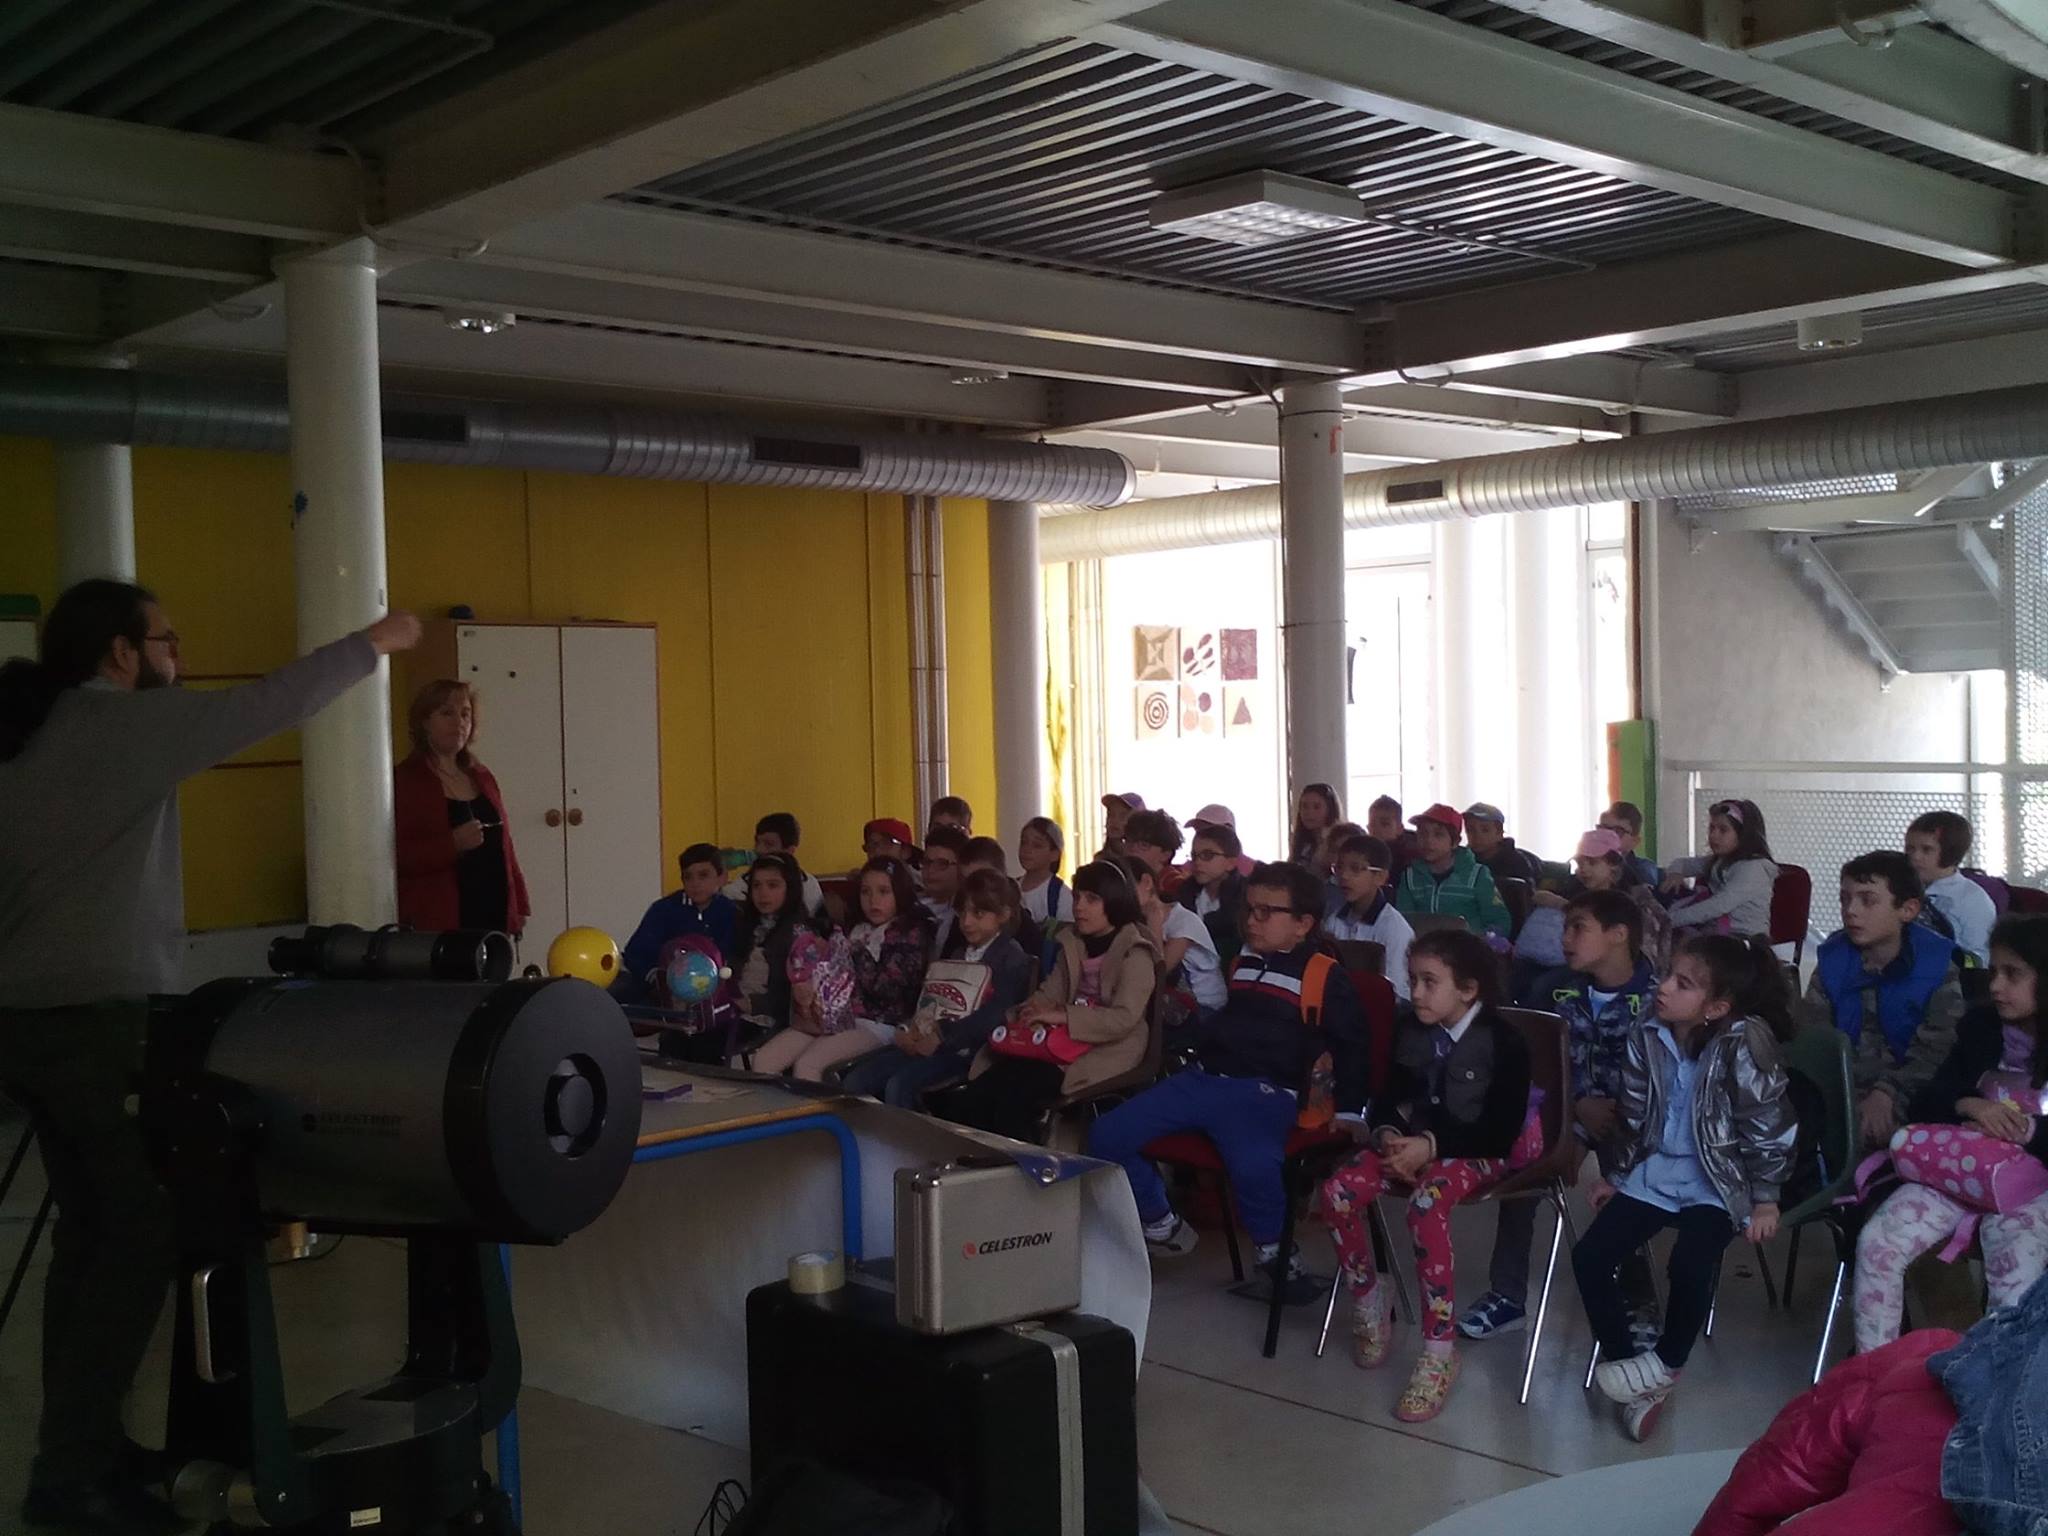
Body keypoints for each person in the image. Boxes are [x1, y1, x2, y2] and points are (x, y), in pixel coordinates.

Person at [0, 578, 420, 1535]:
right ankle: (69, 1478)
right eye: (167, 642)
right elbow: (265, 704)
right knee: (140, 1232)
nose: (177, 659)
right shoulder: (116, 725)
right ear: (121, 653)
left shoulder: (32, 733)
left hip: (23, 1019)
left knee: (89, 1233)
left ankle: (88, 1446)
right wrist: (372, 642)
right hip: (93, 1022)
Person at [1574, 933, 1797, 1442]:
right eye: (1667, 975)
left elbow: (1767, 1124)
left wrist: (1766, 1198)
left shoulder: (1744, 1042)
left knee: (1690, 1263)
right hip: (1656, 1170)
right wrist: (1618, 1175)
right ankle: (1633, 1374)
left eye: (1684, 983)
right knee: (1590, 1257)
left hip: (1719, 1178)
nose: (1664, 988)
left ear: (1716, 1007)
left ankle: (1667, 1364)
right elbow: (1634, 1113)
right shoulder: (1647, 1031)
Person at [1091, 862, 1367, 1271]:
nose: (1252, 921)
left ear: (1303, 924)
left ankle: (1276, 1255)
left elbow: (1353, 1045)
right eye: (1249, 909)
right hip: (1205, 1079)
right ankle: (1161, 1222)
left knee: (1254, 1163)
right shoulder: (1244, 962)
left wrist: (1350, 1109)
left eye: (1266, 912)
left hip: (1265, 1093)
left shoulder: (1323, 975)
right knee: (1107, 1133)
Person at [1321, 928, 1537, 1422]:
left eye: (1429, 981)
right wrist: (1389, 1136)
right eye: (1412, 979)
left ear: (1469, 989)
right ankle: (1369, 1296)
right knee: (1337, 1191)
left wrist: (1431, 1146)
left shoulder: (1504, 1042)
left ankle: (1439, 1350)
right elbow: (1386, 1099)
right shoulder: (1411, 1027)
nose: (1415, 992)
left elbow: (1500, 1133)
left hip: (1478, 1153)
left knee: (1425, 1205)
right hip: (1412, 1147)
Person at [1462, 889, 1658, 1341]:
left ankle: (1637, 1299)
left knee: (1628, 1181)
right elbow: (1535, 1066)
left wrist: (1617, 1110)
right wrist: (1577, 1104)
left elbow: (1664, 1076)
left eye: (1577, 928)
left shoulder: (1655, 997)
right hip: (1569, 1109)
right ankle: (1507, 1295)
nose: (1564, 939)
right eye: (1565, 927)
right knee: (1524, 1163)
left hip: (1636, 1120)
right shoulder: (1552, 990)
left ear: (1618, 935)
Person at [1851, 914, 2048, 1354]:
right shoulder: (1981, 1027)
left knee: (2014, 1268)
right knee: (1879, 1244)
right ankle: (1875, 1371)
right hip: (1960, 1172)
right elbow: (1929, 1100)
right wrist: (1969, 1104)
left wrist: (2025, 1130)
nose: (1996, 986)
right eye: (1994, 972)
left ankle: (1989, 1383)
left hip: (2031, 1186)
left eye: (2012, 974)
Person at [937, 858, 1157, 1144]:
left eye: (1092, 899)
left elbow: (1123, 1018)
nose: (1079, 907)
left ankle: (1023, 1164)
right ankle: (980, 1159)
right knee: (980, 1092)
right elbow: (1050, 992)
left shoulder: (1135, 952)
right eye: (1077, 897)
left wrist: (1064, 1015)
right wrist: (1033, 1009)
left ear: (1115, 902)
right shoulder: (1073, 943)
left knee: (1015, 1099)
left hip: (1107, 1048)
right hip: (1056, 1042)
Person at [1797, 851, 1965, 1150]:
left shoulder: (1936, 967)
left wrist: (1887, 1092)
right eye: (1845, 899)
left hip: (1911, 1090)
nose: (1851, 911)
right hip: (1841, 1087)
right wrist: (1843, 1098)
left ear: (1908, 909)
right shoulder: (1833, 961)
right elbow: (1815, 1040)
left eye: (1868, 900)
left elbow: (1938, 1050)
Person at [842, 870, 1036, 1110]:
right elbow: (930, 999)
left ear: (1003, 915)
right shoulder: (957, 954)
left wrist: (943, 1035)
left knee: (900, 1085)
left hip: (971, 1052)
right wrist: (908, 1029)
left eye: (978, 914)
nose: (967, 922)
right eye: (962, 913)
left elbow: (996, 1014)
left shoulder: (1011, 958)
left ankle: (909, 1135)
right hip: (930, 1041)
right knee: (857, 1080)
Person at [751, 857, 930, 1080]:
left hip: (877, 1023)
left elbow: (888, 989)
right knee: (764, 1060)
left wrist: (852, 952)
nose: (873, 900)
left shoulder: (910, 934)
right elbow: (828, 973)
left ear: (899, 893)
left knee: (808, 1065)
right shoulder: (854, 928)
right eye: (865, 892)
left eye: (883, 892)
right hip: (830, 1016)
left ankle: (816, 1105)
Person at [393, 680, 531, 937]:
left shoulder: (482, 776)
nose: (459, 722)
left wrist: (519, 903)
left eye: (465, 714)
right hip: (439, 920)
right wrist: (452, 845)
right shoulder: (405, 781)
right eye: (447, 713)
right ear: (424, 722)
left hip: (494, 914)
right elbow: (394, 856)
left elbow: (505, 845)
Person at [618, 842, 740, 1002]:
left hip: (716, 991)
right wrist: (656, 977)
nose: (695, 883)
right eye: (688, 877)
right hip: (663, 991)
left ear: (722, 877)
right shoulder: (664, 909)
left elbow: (735, 956)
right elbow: (635, 953)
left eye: (703, 875)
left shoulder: (731, 912)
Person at [726, 851, 819, 1038]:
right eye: (756, 885)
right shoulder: (745, 923)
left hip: (769, 1020)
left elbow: (790, 998)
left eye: (773, 885)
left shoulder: (799, 934)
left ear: (790, 889)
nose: (763, 893)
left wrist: (751, 1004)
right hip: (734, 1010)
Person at [1661, 797, 1778, 938]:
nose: (1713, 835)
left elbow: (1717, 906)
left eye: (1723, 830)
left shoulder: (1753, 868)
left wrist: (1669, 920)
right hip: (1717, 933)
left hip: (1745, 939)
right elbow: (1682, 863)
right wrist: (1675, 873)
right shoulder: (1719, 860)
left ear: (1743, 835)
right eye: (1712, 828)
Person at [1392, 803, 1511, 938]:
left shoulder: (1478, 875)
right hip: (1423, 946)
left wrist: (1485, 940)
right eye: (1423, 834)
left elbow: (1499, 921)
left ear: (1455, 842)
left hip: (1468, 945)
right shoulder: (1410, 876)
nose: (1429, 841)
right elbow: (1403, 921)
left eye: (1438, 835)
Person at [1323, 833, 1413, 1001]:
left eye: (1355, 869)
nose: (1344, 876)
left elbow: (1397, 990)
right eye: (1339, 868)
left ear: (1380, 877)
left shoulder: (1394, 929)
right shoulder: (1334, 920)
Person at [1132, 857, 1224, 1019]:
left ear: (1147, 882)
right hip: (1167, 1000)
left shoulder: (1183, 920)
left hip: (1203, 1006)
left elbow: (1159, 972)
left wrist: (1155, 926)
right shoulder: (1133, 922)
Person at [1906, 811, 1997, 966]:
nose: (1915, 856)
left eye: (1926, 849)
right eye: (1910, 849)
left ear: (1950, 852)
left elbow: (1980, 958)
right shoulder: (1901, 888)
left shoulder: (1973, 899)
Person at [722, 811, 827, 916]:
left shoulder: (808, 884)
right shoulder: (747, 880)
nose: (759, 849)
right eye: (757, 842)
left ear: (789, 851)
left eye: (769, 844)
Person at [1179, 821, 1248, 967]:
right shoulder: (1185, 892)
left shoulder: (1246, 894)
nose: (1197, 862)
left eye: (1207, 855)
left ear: (1231, 863)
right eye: (1194, 856)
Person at [1462, 801, 1543, 886]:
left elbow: (1525, 890)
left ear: (1499, 832)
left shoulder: (1516, 861)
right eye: (1470, 830)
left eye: (1485, 830)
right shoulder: (1463, 860)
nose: (1477, 836)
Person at [920, 824, 968, 956]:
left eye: (942, 864)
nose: (931, 870)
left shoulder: (968, 915)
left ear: (961, 867)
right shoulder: (910, 910)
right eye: (927, 862)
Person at [1016, 816, 1072, 928]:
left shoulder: (1061, 895)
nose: (1027, 849)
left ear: (1054, 854)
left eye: (1037, 845)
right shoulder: (1011, 888)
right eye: (1024, 842)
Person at [1121, 808, 1185, 899]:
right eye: (1128, 841)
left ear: (1165, 854)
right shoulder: (1123, 879)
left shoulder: (1174, 885)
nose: (1132, 848)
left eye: (1143, 845)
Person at [1601, 801, 1661, 888]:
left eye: (1618, 832)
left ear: (1634, 841)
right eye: (1603, 829)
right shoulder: (1586, 866)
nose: (1607, 837)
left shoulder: (1644, 869)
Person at [1187, 803, 1256, 877]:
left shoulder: (1255, 872)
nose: (1200, 835)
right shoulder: (1186, 871)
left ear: (1229, 831)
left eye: (1209, 831)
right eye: (1198, 830)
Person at [1366, 794, 1421, 879]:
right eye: (1372, 824)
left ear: (1399, 829)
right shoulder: (1365, 854)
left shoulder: (1410, 857)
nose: (1377, 829)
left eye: (1385, 824)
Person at [1289, 782, 1341, 868]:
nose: (1309, 812)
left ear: (1330, 809)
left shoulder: (1337, 842)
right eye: (1304, 806)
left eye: (1317, 807)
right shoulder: (1302, 842)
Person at [1099, 791, 1144, 859]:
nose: (1114, 821)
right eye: (1110, 815)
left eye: (1123, 816)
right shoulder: (1101, 859)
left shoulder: (1147, 859)